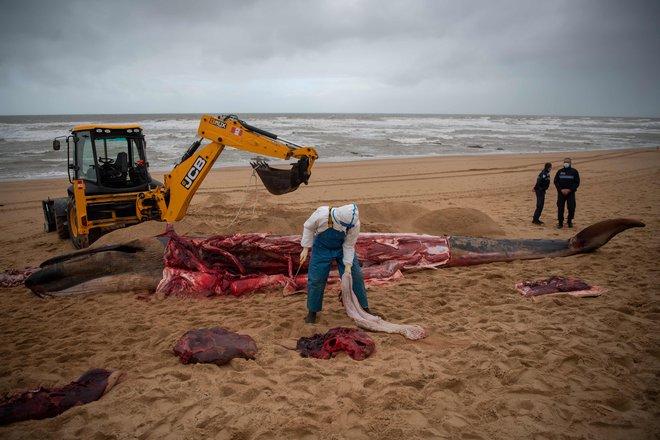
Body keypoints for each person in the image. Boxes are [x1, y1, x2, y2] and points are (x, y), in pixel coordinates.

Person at [299, 204, 372, 323]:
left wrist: (348, 266)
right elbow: (308, 227)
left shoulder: (354, 224)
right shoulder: (322, 214)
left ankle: (364, 307)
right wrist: (305, 248)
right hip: (322, 247)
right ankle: (312, 312)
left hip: (343, 248)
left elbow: (349, 244)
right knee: (316, 278)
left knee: (355, 275)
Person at [553, 157, 580, 228]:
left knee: (571, 207)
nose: (566, 163)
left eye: (567, 162)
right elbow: (556, 181)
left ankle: (569, 221)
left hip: (570, 193)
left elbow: (577, 182)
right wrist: (561, 190)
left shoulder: (574, 171)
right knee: (560, 208)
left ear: (570, 163)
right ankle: (560, 222)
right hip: (561, 193)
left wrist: (570, 190)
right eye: (565, 162)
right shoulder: (560, 171)